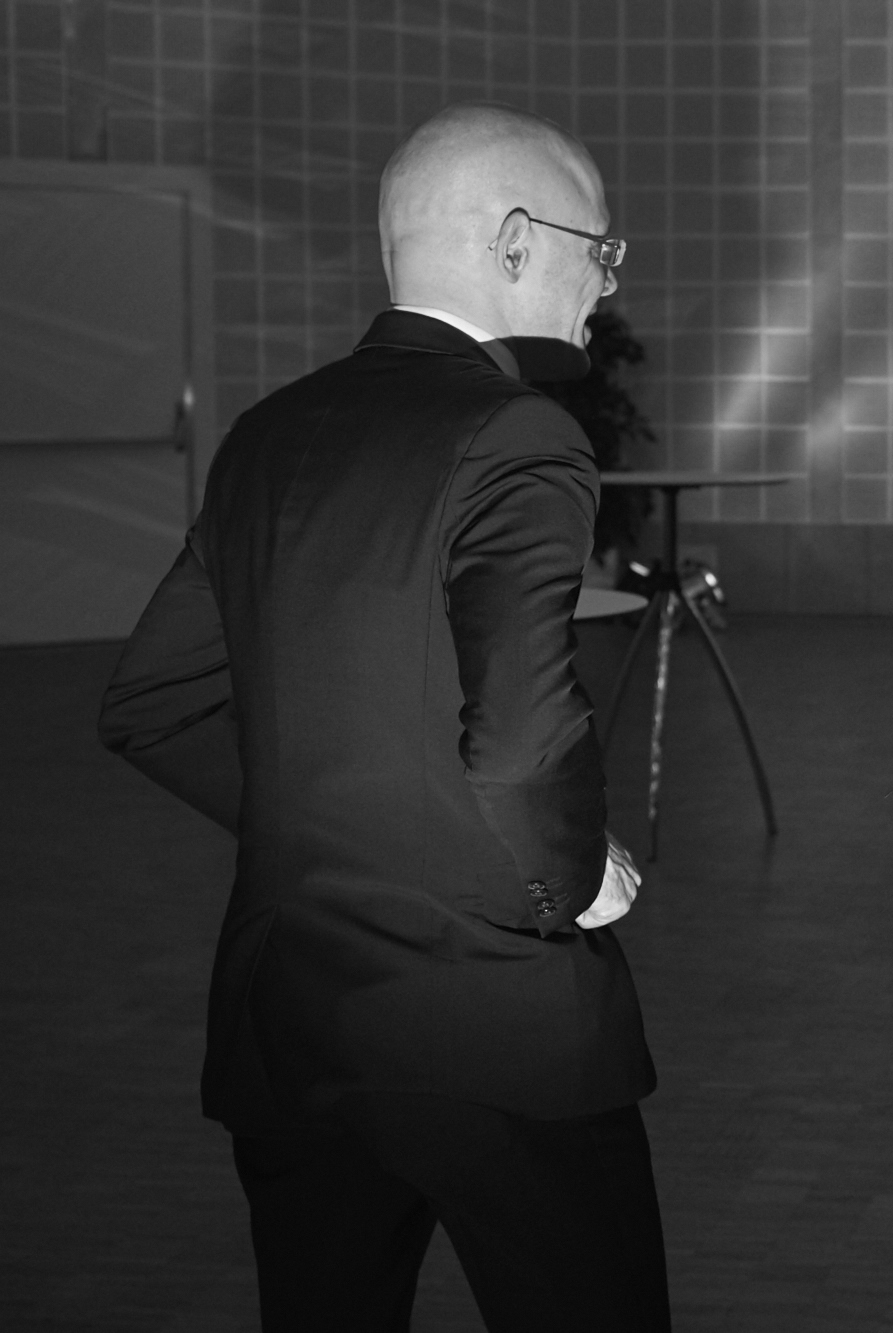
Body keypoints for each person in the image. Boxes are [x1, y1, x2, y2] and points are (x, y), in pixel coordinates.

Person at [97, 104, 670, 1329]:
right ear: (516, 241)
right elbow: (521, 740)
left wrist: (336, 833)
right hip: (494, 1023)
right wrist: (570, 880)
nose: (604, 282)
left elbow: (151, 701)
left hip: (294, 1014)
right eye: (598, 247)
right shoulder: (518, 429)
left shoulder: (270, 432)